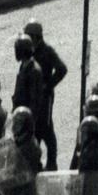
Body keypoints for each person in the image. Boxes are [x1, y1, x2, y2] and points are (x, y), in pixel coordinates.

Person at [25, 19, 68, 171]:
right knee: (34, 128)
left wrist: (48, 85)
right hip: (33, 97)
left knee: (47, 128)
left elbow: (62, 69)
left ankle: (51, 163)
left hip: (45, 98)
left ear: (35, 36)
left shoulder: (47, 51)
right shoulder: (30, 51)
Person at [12, 35, 48, 165]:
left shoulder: (34, 70)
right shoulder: (24, 66)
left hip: (27, 121)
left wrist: (30, 123)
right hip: (21, 117)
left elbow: (35, 100)